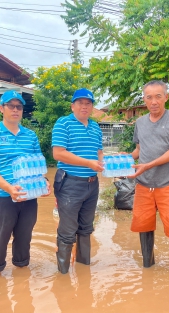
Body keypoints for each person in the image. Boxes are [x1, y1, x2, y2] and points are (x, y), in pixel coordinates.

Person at [0, 90, 51, 275]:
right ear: (1, 108)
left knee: (24, 238)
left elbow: (36, 165)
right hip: (3, 196)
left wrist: (44, 181)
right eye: (11, 106)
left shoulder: (31, 136)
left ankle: (21, 275)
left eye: (19, 106)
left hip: (28, 196)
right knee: (0, 239)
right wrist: (9, 188)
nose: (15, 110)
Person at [128, 80, 169, 272]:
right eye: (149, 97)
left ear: (166, 97)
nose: (153, 101)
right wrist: (121, 161)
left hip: (167, 183)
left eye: (158, 96)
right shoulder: (140, 122)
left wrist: (148, 165)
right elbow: (138, 150)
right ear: (144, 100)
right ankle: (148, 266)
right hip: (143, 184)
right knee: (144, 226)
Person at [51, 88, 104, 274]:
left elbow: (99, 154)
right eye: (80, 103)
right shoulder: (63, 123)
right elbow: (58, 153)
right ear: (72, 106)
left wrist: (111, 164)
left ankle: (83, 270)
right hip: (70, 183)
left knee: (86, 228)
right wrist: (88, 162)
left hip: (92, 184)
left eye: (88, 103)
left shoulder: (96, 127)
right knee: (67, 230)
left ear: (92, 107)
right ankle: (63, 274)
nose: (84, 106)